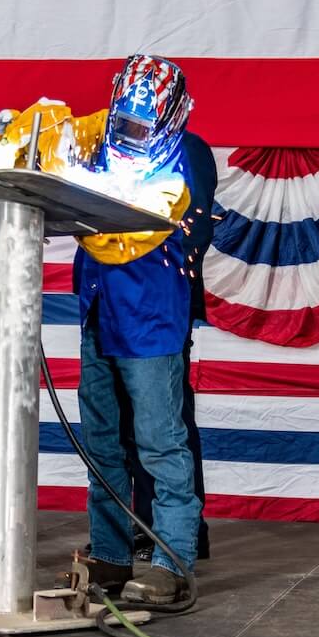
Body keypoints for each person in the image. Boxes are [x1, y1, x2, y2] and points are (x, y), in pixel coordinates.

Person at [25, 55, 202, 604]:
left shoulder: (184, 160)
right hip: (98, 316)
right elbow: (52, 141)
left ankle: (172, 562)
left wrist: (80, 208)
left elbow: (127, 233)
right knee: (101, 444)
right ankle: (110, 555)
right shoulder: (99, 137)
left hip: (150, 324)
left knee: (160, 445)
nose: (127, 135)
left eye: (139, 127)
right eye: (123, 123)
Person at [124, 129, 216, 563]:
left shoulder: (187, 148)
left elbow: (194, 229)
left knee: (166, 417)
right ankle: (144, 523)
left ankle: (181, 531)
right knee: (130, 421)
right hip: (119, 302)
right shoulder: (120, 148)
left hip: (163, 303)